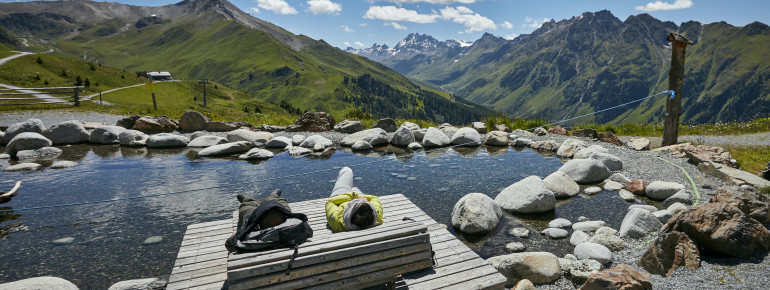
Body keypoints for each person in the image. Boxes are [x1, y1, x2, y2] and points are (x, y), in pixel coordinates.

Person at [326, 167, 383, 232]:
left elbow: (330, 202)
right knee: (355, 189)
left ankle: (352, 189)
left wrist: (354, 196)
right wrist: (359, 197)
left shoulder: (336, 221)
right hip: (355, 197)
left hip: (341, 196)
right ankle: (353, 188)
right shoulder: (376, 214)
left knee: (347, 170)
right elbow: (374, 198)